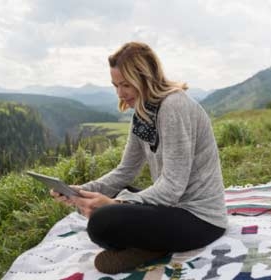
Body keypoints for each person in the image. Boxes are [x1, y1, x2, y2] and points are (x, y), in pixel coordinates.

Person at [51, 41, 228, 274]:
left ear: (146, 78)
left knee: (103, 221)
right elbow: (125, 170)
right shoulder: (142, 113)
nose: (120, 93)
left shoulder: (174, 106)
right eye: (115, 85)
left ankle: (151, 245)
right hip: (171, 209)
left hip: (200, 219)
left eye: (126, 84)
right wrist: (80, 192)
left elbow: (173, 186)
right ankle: (153, 244)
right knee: (108, 197)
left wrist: (117, 204)